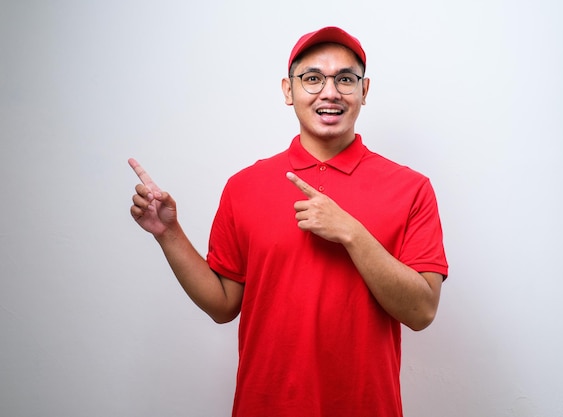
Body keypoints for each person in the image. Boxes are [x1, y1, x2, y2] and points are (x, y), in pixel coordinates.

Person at [129, 26, 448, 417]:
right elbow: (223, 305)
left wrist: (351, 232)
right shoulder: (244, 186)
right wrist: (169, 234)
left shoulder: (411, 188)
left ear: (364, 91)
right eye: (312, 78)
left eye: (345, 79)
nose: (329, 92)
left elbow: (422, 312)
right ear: (288, 90)